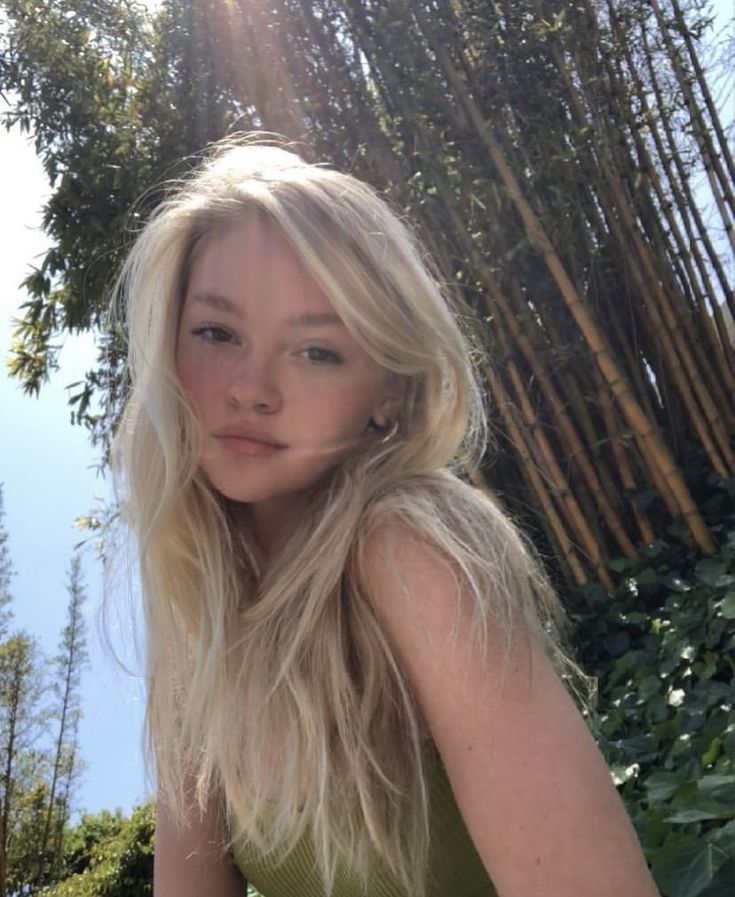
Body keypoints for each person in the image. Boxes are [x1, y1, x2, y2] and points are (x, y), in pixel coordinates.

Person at [113, 135, 660, 897]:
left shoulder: (407, 545)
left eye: (316, 351)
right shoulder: (197, 626)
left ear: (389, 395)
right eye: (215, 333)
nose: (250, 388)